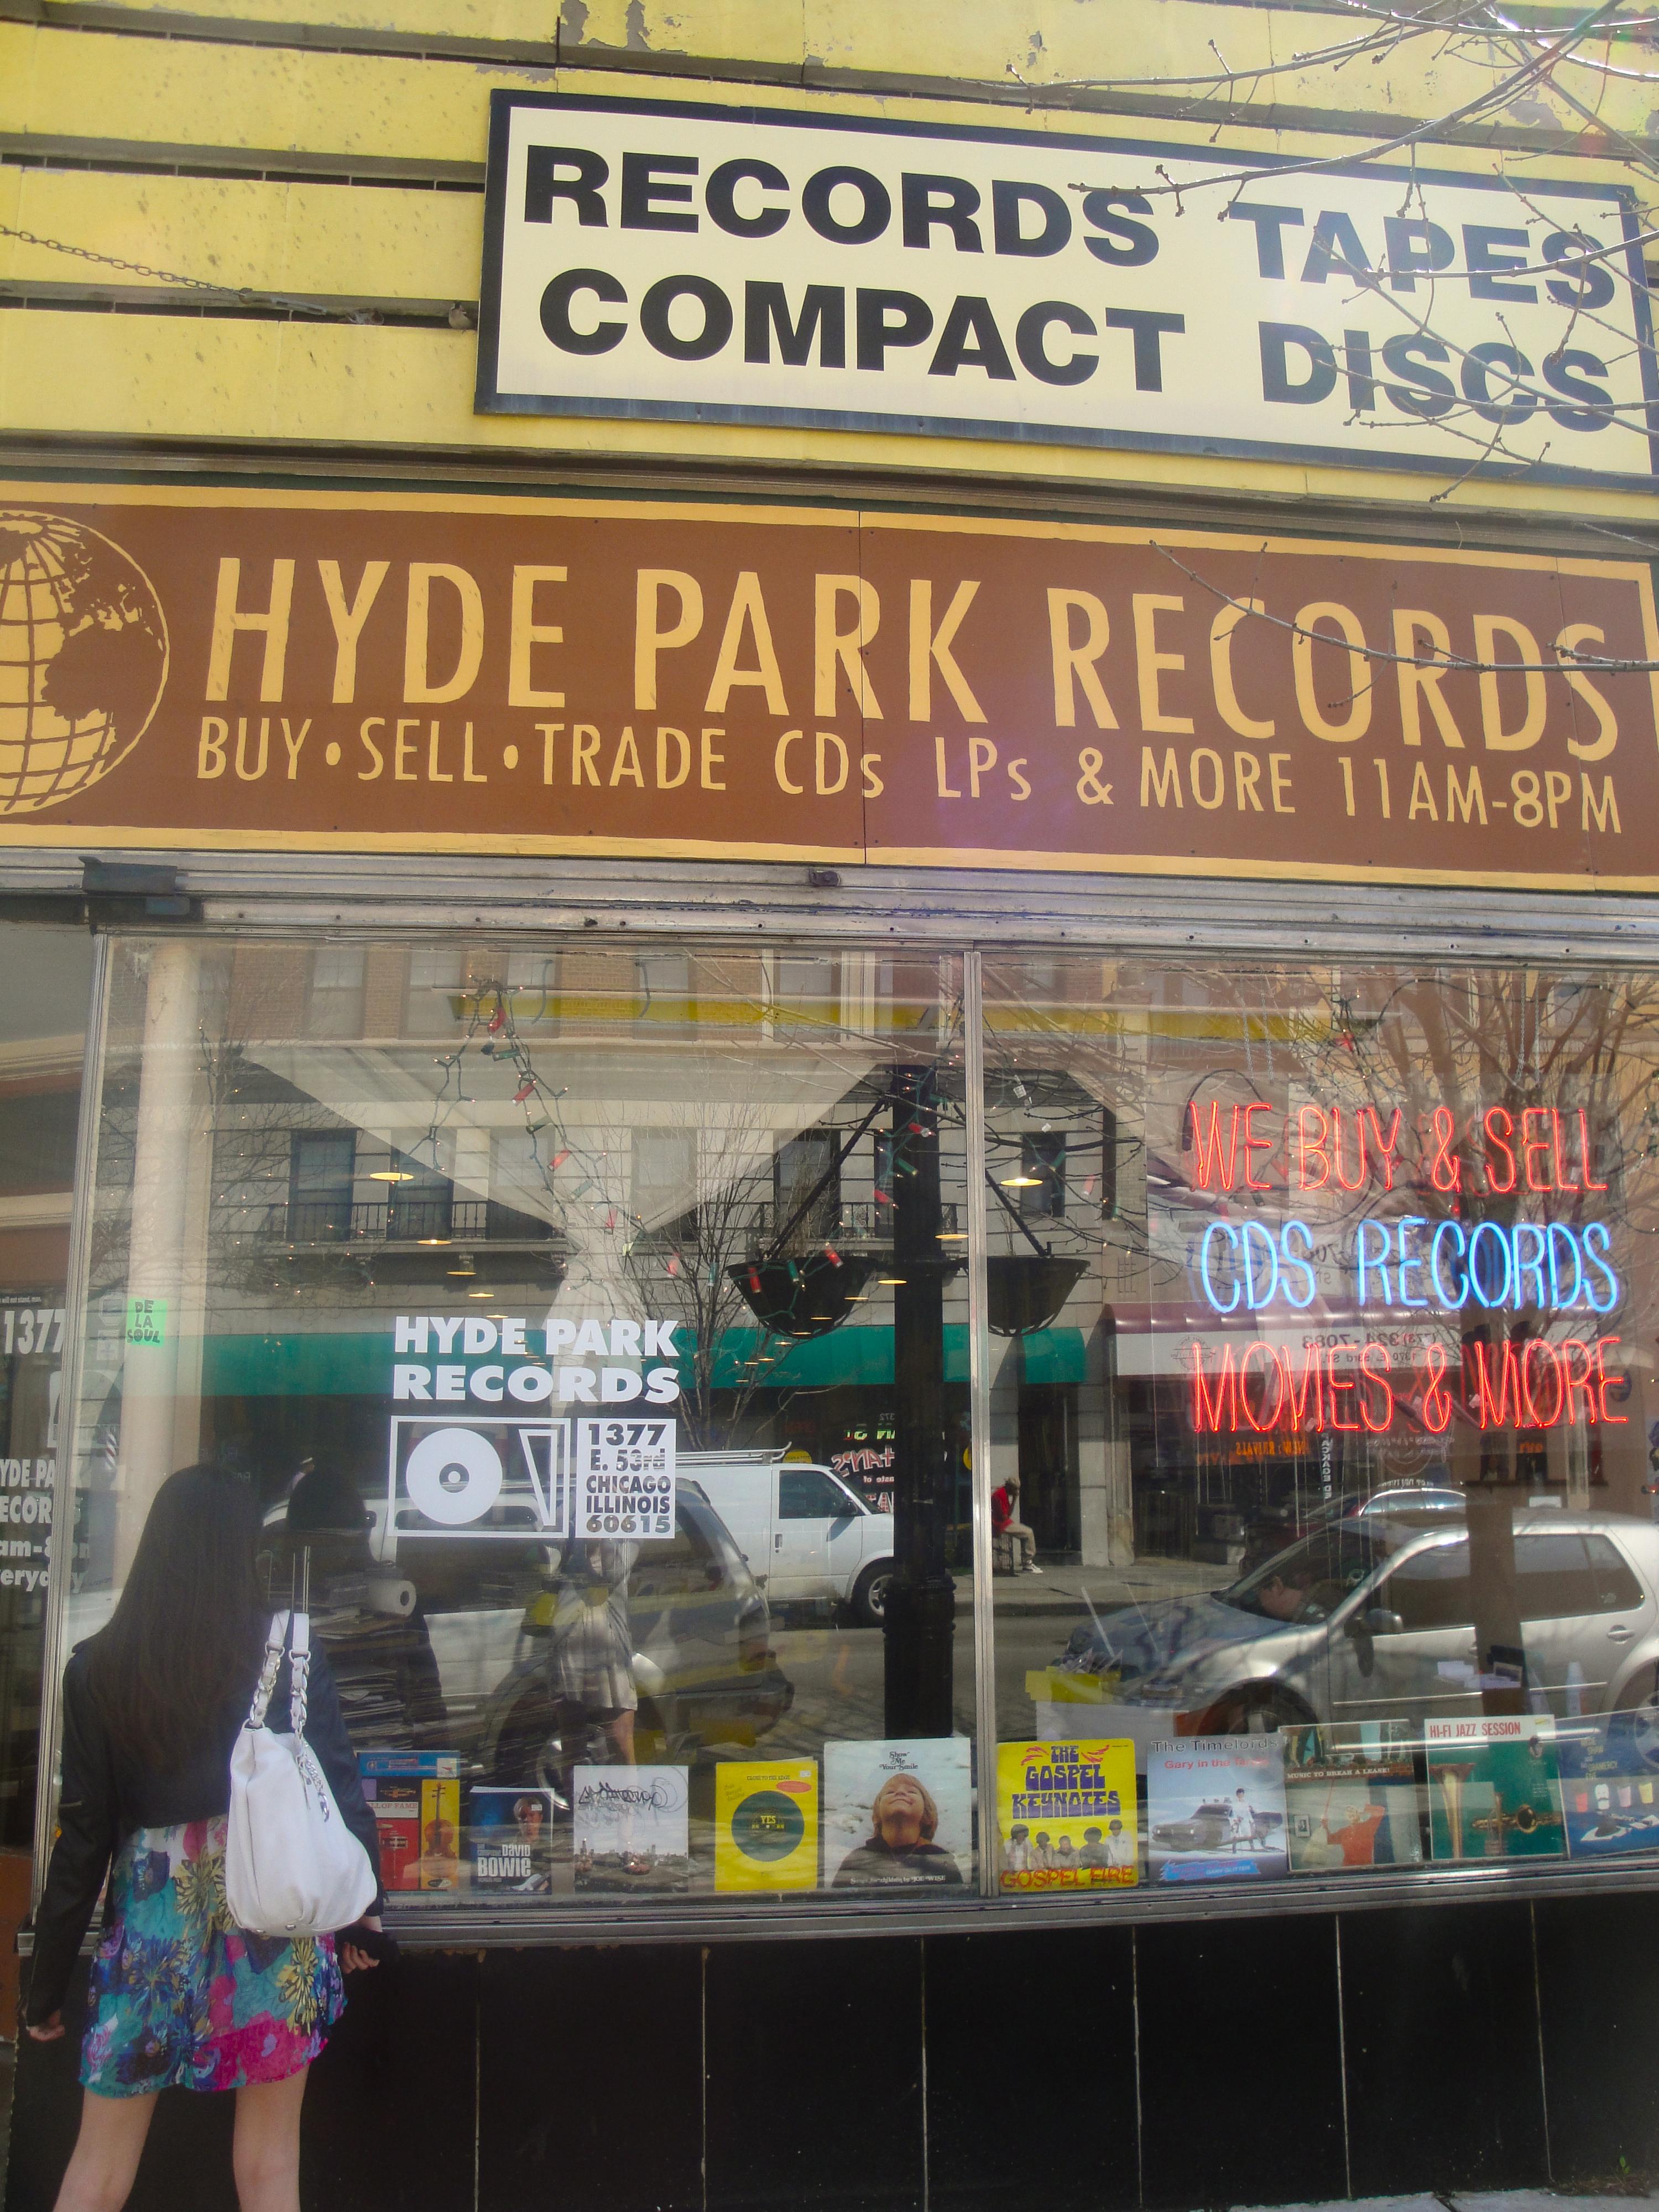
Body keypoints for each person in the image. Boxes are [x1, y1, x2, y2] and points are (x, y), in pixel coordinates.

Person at [25, 1464, 384, 2212]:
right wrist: (365, 1915)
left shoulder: (98, 1667)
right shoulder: (287, 1652)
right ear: (241, 1551)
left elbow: (84, 1837)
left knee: (98, 2165)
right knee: (268, 2163)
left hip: (154, 1921)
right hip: (273, 1907)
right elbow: (338, 1790)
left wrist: (46, 1981)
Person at [832, 1772, 964, 1886]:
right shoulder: (858, 1860)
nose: (900, 1792)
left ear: (927, 1814)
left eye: (912, 1791)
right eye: (890, 1792)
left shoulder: (940, 1860)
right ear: (876, 1816)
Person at [990, 1473, 1041, 1574]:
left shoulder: (1004, 1493)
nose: (1016, 1492)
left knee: (1026, 1533)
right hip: (1001, 1525)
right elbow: (1005, 1517)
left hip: (1004, 1522)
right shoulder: (1000, 1495)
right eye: (1015, 1489)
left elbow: (1008, 1513)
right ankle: (1028, 1562)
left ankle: (1027, 1561)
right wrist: (1013, 1499)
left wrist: (1014, 1499)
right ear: (1010, 1487)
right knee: (1028, 1532)